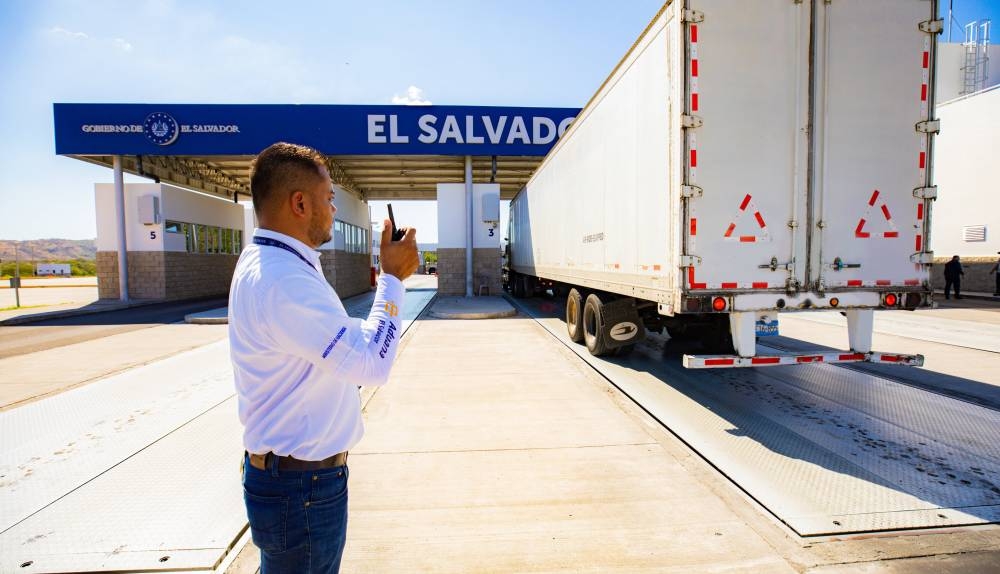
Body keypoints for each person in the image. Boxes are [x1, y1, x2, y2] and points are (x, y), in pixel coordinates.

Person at [229, 142, 419, 573]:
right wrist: (392, 279)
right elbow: (371, 364)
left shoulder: (272, 262)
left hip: (294, 482)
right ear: (300, 203)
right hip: (302, 490)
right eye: (329, 198)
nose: (334, 209)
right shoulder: (284, 281)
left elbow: (342, 348)